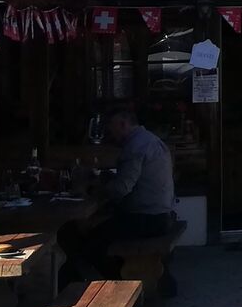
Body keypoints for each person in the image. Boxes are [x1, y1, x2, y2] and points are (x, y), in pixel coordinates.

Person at [63, 104, 178, 289]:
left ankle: (125, 286)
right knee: (99, 230)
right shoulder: (150, 140)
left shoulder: (135, 147)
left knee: (90, 243)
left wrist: (93, 191)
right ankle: (144, 279)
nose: (110, 133)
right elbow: (135, 180)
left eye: (112, 127)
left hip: (147, 218)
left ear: (123, 124)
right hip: (162, 214)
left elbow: (121, 189)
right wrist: (107, 179)